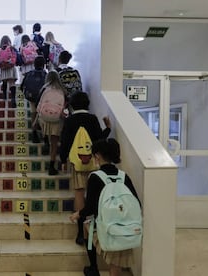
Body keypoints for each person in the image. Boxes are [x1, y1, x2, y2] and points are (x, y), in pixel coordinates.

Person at [69, 138, 141, 276]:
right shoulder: (124, 176)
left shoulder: (95, 177)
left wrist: (78, 214)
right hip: (127, 228)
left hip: (107, 229)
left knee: (86, 226)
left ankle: (93, 267)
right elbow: (136, 203)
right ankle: (96, 268)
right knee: (116, 265)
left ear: (98, 156)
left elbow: (90, 208)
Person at [60, 91, 111, 246]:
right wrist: (107, 128)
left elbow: (65, 141)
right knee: (94, 193)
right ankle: (95, 227)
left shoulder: (69, 120)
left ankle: (80, 232)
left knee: (79, 193)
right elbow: (98, 140)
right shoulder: (92, 119)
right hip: (93, 162)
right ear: (87, 104)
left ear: (72, 105)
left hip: (76, 163)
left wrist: (62, 160)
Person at [35, 70, 67, 175]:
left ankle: (45, 141)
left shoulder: (44, 89)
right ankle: (51, 167)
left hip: (44, 118)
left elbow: (38, 105)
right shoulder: (62, 90)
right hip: (57, 119)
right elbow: (65, 106)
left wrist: (36, 120)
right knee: (54, 143)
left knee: (46, 131)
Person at [20, 56, 47, 143]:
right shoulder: (46, 74)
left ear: (34, 64)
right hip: (43, 98)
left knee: (33, 113)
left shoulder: (29, 73)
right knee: (42, 114)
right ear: (43, 65)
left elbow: (21, 86)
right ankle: (45, 136)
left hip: (32, 97)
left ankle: (34, 133)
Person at [0, 35, 18, 107]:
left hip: (3, 68)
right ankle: (13, 99)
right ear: (9, 41)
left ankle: (5, 96)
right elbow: (17, 56)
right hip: (11, 67)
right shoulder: (11, 48)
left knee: (4, 82)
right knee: (12, 83)